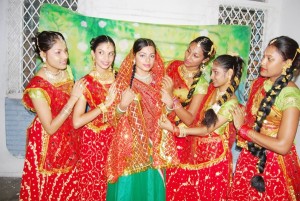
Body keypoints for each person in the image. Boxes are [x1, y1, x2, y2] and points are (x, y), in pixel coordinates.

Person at [160, 54, 244, 200]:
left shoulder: (231, 103)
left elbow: (207, 129)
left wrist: (176, 130)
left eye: (216, 72)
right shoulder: (213, 90)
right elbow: (192, 116)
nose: (212, 76)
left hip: (214, 159)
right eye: (212, 72)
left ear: (229, 74)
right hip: (196, 151)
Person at [106, 38, 179, 201]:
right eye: (142, 55)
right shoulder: (122, 83)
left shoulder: (161, 82)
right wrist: (122, 106)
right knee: (128, 191)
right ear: (133, 57)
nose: (147, 60)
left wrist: (169, 106)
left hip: (154, 148)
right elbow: (111, 119)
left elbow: (167, 119)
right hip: (129, 148)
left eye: (151, 56)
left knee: (150, 192)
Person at [228, 36, 300, 200]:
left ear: (287, 63)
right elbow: (251, 117)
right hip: (249, 157)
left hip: (273, 166)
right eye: (263, 57)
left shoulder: (290, 94)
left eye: (269, 59)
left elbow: (283, 146)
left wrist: (243, 130)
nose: (262, 62)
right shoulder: (258, 83)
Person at [20, 31, 86, 200]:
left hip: (70, 136)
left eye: (65, 50)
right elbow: (49, 127)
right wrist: (73, 99)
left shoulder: (67, 71)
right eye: (58, 52)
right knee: (51, 187)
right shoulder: (37, 87)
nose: (64, 56)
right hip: (48, 142)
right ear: (43, 54)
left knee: (71, 185)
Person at [72, 35, 117, 200]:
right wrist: (104, 105)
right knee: (93, 185)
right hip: (94, 142)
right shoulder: (86, 83)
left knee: (113, 185)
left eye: (111, 53)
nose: (106, 58)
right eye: (101, 52)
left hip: (115, 138)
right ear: (93, 54)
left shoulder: (119, 79)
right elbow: (77, 121)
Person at [162, 36, 216, 163]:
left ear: (205, 60)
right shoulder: (170, 65)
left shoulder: (201, 84)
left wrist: (171, 97)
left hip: (177, 135)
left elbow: (189, 119)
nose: (188, 57)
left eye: (195, 56)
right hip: (158, 125)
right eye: (188, 51)